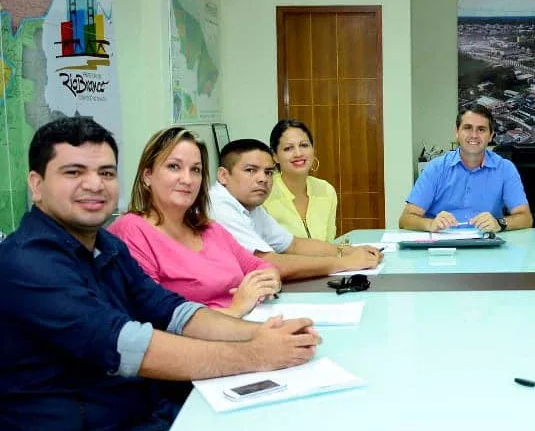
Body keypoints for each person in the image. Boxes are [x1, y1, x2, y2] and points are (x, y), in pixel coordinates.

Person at [0, 117, 322, 431]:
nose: (94, 185)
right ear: (37, 185)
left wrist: (262, 337)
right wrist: (260, 354)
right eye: (74, 172)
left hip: (135, 422)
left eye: (106, 173)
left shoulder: (104, 246)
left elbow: (170, 310)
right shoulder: (28, 263)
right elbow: (130, 347)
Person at [109, 127, 280, 318]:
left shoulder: (210, 229)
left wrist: (269, 282)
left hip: (247, 326)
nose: (187, 179)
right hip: (198, 341)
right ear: (147, 175)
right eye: (174, 166)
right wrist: (235, 310)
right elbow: (152, 316)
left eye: (196, 170)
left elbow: (262, 267)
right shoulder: (131, 231)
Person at [210, 139, 381, 280]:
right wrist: (347, 262)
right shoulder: (219, 207)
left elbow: (293, 244)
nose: (262, 179)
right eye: (250, 170)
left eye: (268, 172)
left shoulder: (249, 205)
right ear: (223, 175)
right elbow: (268, 265)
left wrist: (350, 251)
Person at [399, 104, 533, 232]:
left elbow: (526, 218)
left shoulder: (505, 168)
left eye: (481, 129)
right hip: (442, 246)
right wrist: (430, 224)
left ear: (491, 136)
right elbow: (405, 220)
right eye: (467, 128)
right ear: (457, 132)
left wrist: (500, 223)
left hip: (486, 246)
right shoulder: (435, 168)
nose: (474, 135)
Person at [264, 119, 339, 242]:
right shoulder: (264, 194)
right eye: (288, 148)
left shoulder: (326, 190)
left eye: (304, 145)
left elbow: (329, 243)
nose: (298, 153)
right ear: (275, 156)